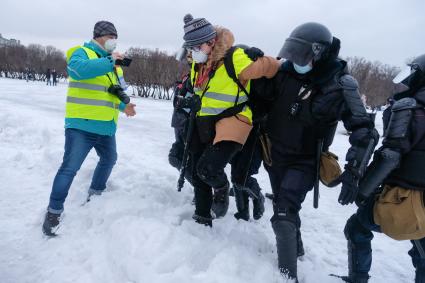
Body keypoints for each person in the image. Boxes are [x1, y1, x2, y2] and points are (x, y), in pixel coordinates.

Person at [264, 22, 379, 281]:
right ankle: (296, 246)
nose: (295, 60)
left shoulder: (340, 84)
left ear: (320, 53)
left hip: (306, 159)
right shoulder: (284, 72)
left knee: (283, 211)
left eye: (301, 54)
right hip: (275, 155)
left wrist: (354, 170)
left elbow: (365, 131)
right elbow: (258, 98)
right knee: (285, 205)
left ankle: (286, 275)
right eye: (292, 52)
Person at [175, 14, 280, 226]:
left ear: (211, 42)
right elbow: (203, 91)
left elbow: (272, 67)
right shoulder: (199, 63)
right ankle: (202, 216)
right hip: (204, 121)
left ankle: (222, 187)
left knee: (208, 168)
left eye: (196, 47)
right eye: (191, 48)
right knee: (196, 170)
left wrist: (264, 58)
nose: (193, 52)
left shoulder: (235, 57)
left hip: (233, 121)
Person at [42, 20, 136, 236]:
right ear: (100, 37)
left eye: (115, 38)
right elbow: (78, 71)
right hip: (81, 127)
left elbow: (111, 91)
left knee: (109, 159)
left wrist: (125, 106)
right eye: (111, 37)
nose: (114, 42)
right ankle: (53, 212)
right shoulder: (81, 52)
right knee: (69, 168)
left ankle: (95, 194)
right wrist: (110, 61)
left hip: (106, 127)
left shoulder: (113, 65)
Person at [341, 54, 425, 283]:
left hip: (406, 195)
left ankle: (358, 279)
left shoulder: (410, 109)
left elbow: (389, 156)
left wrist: (363, 191)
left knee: (357, 229)